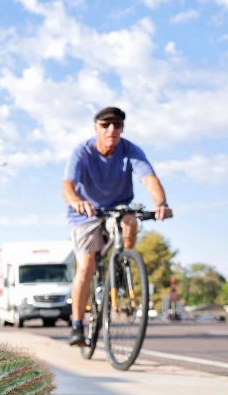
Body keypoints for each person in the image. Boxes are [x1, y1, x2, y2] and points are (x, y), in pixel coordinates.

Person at [61, 106, 173, 346]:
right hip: (86, 213)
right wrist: (77, 201)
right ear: (96, 128)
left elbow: (149, 179)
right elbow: (68, 186)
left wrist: (161, 203)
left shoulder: (130, 150)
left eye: (117, 125)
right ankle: (77, 325)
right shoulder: (82, 152)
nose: (111, 129)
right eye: (105, 125)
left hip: (117, 207)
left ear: (122, 128)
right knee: (86, 265)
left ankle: (122, 265)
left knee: (131, 220)